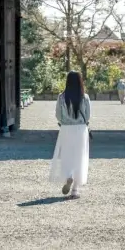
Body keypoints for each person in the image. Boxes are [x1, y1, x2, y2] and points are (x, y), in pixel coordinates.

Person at [49, 71, 90, 199]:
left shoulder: (61, 97)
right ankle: (75, 190)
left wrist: (64, 122)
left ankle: (69, 176)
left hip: (66, 129)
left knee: (67, 156)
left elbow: (58, 115)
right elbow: (88, 115)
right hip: (80, 129)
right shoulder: (85, 97)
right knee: (80, 157)